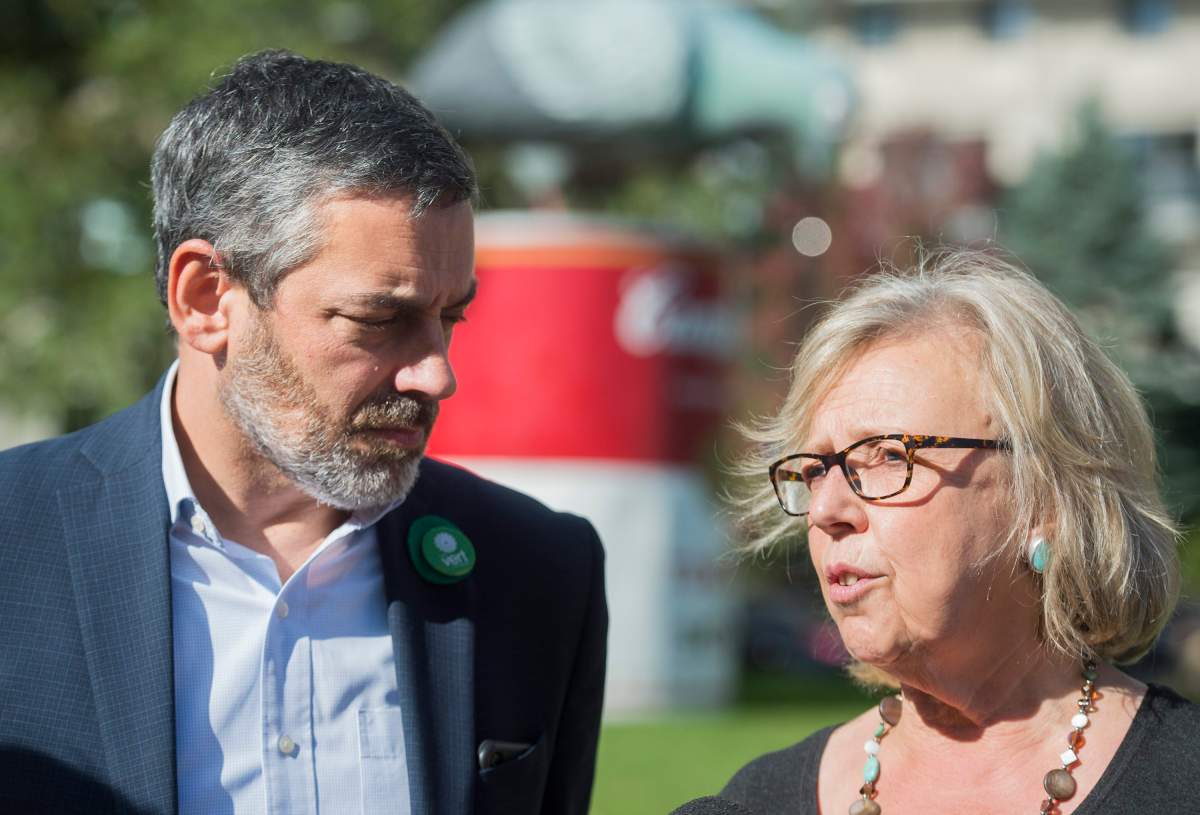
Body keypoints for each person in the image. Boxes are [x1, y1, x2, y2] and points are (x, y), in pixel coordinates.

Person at [0, 50, 606, 815]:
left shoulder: (539, 570)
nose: (436, 374)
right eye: (377, 320)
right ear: (207, 297)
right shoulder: (13, 541)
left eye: (450, 318)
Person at [686, 250, 1200, 814]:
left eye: (884, 454)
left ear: (1045, 495)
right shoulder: (759, 801)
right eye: (814, 470)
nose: (825, 508)